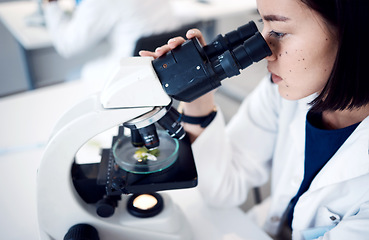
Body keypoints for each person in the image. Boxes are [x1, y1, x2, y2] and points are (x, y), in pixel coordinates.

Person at [140, 0, 369, 239]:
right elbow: (222, 190)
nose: (263, 51)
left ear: (356, 34)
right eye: (262, 23)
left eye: (279, 31)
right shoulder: (285, 92)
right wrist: (198, 94)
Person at [43, 0, 182, 90]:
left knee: (72, 76)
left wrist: (50, 4)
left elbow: (67, 46)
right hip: (165, 66)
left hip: (132, 72)